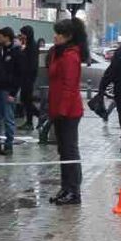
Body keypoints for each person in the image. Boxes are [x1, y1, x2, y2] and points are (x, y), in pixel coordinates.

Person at [47, 17, 87, 204]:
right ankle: (65, 187)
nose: (55, 36)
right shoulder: (59, 53)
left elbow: (70, 87)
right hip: (58, 109)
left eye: (59, 34)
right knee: (63, 150)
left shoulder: (71, 56)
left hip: (69, 112)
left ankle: (74, 190)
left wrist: (62, 111)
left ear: (68, 36)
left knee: (70, 151)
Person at [0, 27, 22, 155]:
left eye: (0, 36)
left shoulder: (16, 53)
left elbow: (19, 74)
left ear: (6, 37)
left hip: (8, 90)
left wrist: (13, 93)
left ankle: (9, 145)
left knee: (8, 119)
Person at [18, 25, 40, 129]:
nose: (21, 36)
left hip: (28, 78)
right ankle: (34, 118)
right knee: (25, 99)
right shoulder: (26, 45)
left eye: (22, 34)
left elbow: (31, 64)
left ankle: (36, 118)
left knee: (27, 99)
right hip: (24, 77)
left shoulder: (32, 46)